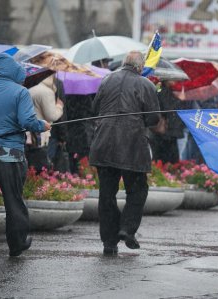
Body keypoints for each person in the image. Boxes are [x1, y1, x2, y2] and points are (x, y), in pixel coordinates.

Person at [0, 53, 51, 262]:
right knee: (13, 200)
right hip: (10, 155)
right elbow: (26, 120)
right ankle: (16, 244)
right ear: (13, 71)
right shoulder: (20, 92)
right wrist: (42, 125)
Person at [89, 51, 160, 256]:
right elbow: (153, 118)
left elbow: (95, 108)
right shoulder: (146, 84)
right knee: (137, 190)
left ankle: (109, 242)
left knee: (107, 195)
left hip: (104, 143)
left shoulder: (107, 79)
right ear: (140, 66)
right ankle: (127, 229)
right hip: (132, 146)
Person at [27, 75, 64, 172]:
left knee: (31, 164)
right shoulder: (47, 92)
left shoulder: (31, 89)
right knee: (42, 164)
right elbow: (51, 116)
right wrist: (59, 106)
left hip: (30, 134)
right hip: (42, 133)